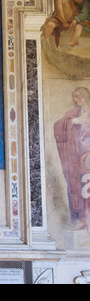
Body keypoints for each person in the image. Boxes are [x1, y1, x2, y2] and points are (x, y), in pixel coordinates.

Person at [54, 87, 90, 233]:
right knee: (76, 184)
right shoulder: (73, 114)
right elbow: (57, 127)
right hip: (75, 156)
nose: (76, 99)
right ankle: (81, 219)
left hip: (87, 154)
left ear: (86, 95)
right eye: (74, 97)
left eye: (79, 96)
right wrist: (73, 121)